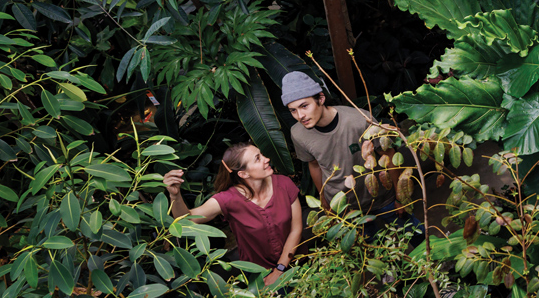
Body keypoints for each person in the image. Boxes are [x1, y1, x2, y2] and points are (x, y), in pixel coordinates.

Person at [163, 142, 301, 286]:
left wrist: (280, 269)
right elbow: (187, 221)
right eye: (258, 158)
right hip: (259, 274)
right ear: (243, 174)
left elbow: (295, 230)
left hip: (296, 260)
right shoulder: (228, 199)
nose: (267, 159)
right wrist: (175, 197)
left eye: (262, 155)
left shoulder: (284, 184)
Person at [280, 71, 390, 215]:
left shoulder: (358, 119)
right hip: (342, 206)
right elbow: (314, 165)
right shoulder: (298, 133)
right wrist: (325, 201)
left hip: (380, 197)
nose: (300, 116)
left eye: (304, 106)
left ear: (321, 98)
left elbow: (388, 154)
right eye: (293, 111)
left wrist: (401, 195)